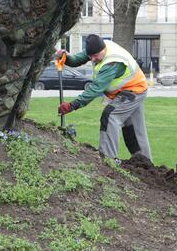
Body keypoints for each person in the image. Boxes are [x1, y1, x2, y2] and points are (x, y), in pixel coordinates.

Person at [55, 34, 151, 163]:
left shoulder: (112, 62)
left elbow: (95, 89)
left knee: (110, 115)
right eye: (91, 56)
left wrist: (72, 105)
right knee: (132, 127)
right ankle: (145, 163)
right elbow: (77, 60)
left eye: (96, 56)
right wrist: (65, 58)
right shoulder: (96, 48)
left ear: (103, 49)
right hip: (126, 90)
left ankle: (107, 159)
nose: (93, 59)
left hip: (134, 90)